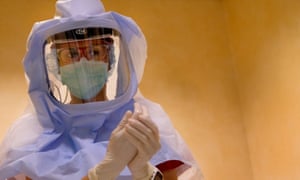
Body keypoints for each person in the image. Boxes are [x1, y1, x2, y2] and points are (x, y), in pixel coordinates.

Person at [0, 0, 203, 179]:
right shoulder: (33, 140)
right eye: (71, 53)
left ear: (110, 60)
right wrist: (103, 173)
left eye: (94, 51)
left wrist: (146, 175)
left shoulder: (143, 125)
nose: (83, 63)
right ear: (56, 66)